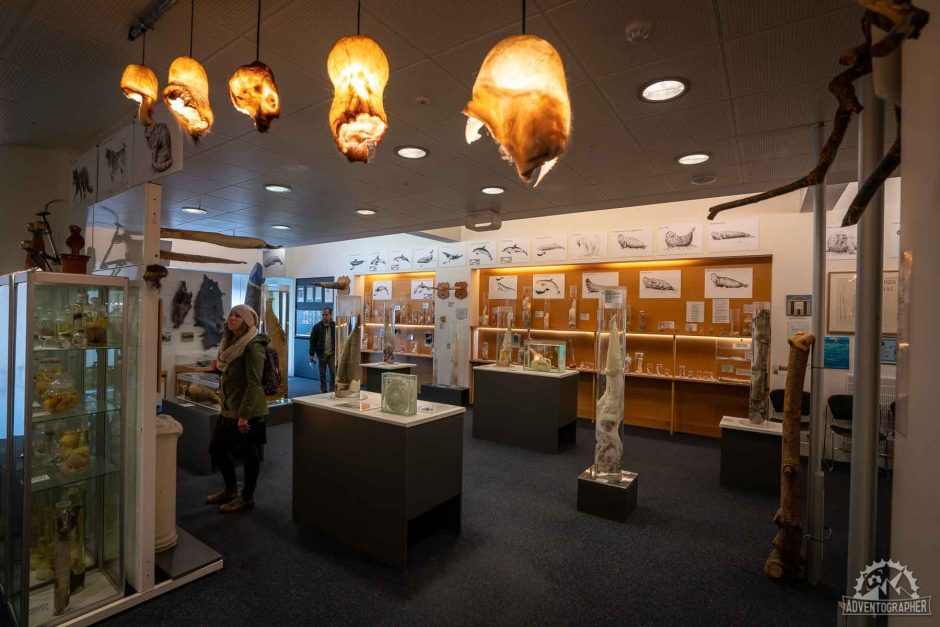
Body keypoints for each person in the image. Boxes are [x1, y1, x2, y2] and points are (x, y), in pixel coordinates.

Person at [206, 304, 269, 513]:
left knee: (250, 454)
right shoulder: (229, 343)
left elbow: (254, 383)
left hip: (248, 411)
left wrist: (244, 416)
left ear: (247, 321)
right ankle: (230, 489)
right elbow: (232, 372)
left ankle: (247, 496)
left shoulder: (253, 346)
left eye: (237, 316)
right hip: (229, 406)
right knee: (218, 448)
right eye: (231, 315)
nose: (232, 318)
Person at [309, 307, 336, 393]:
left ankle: (332, 390)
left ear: (330, 315)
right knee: (322, 374)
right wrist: (311, 354)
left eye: (326, 315)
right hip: (321, 353)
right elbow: (312, 341)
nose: (324, 316)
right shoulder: (317, 327)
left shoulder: (335, 326)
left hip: (332, 353)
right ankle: (323, 390)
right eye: (323, 315)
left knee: (333, 372)